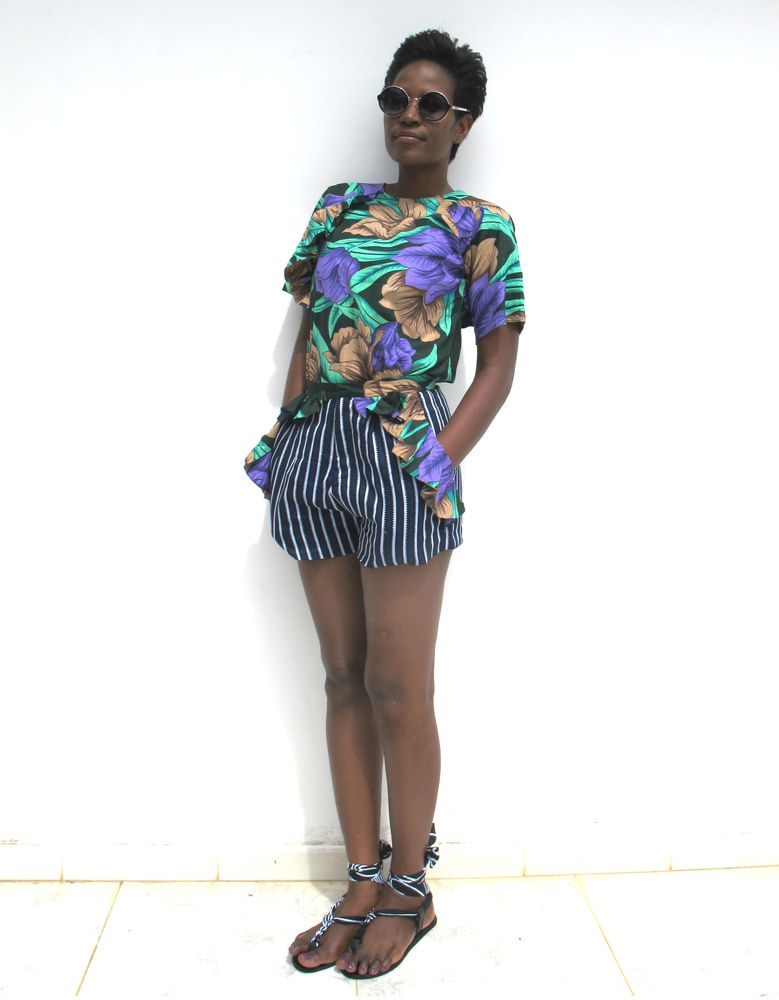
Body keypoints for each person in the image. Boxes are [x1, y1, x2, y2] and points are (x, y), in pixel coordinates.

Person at [244, 28, 525, 980]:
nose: (409, 115)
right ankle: (361, 881)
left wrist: (435, 460)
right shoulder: (339, 205)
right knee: (341, 676)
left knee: (400, 688)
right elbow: (310, 329)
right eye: (396, 99)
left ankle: (411, 889)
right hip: (315, 442)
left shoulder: (479, 224)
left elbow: (498, 366)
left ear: (461, 124)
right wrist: (286, 433)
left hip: (405, 447)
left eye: (430, 104)